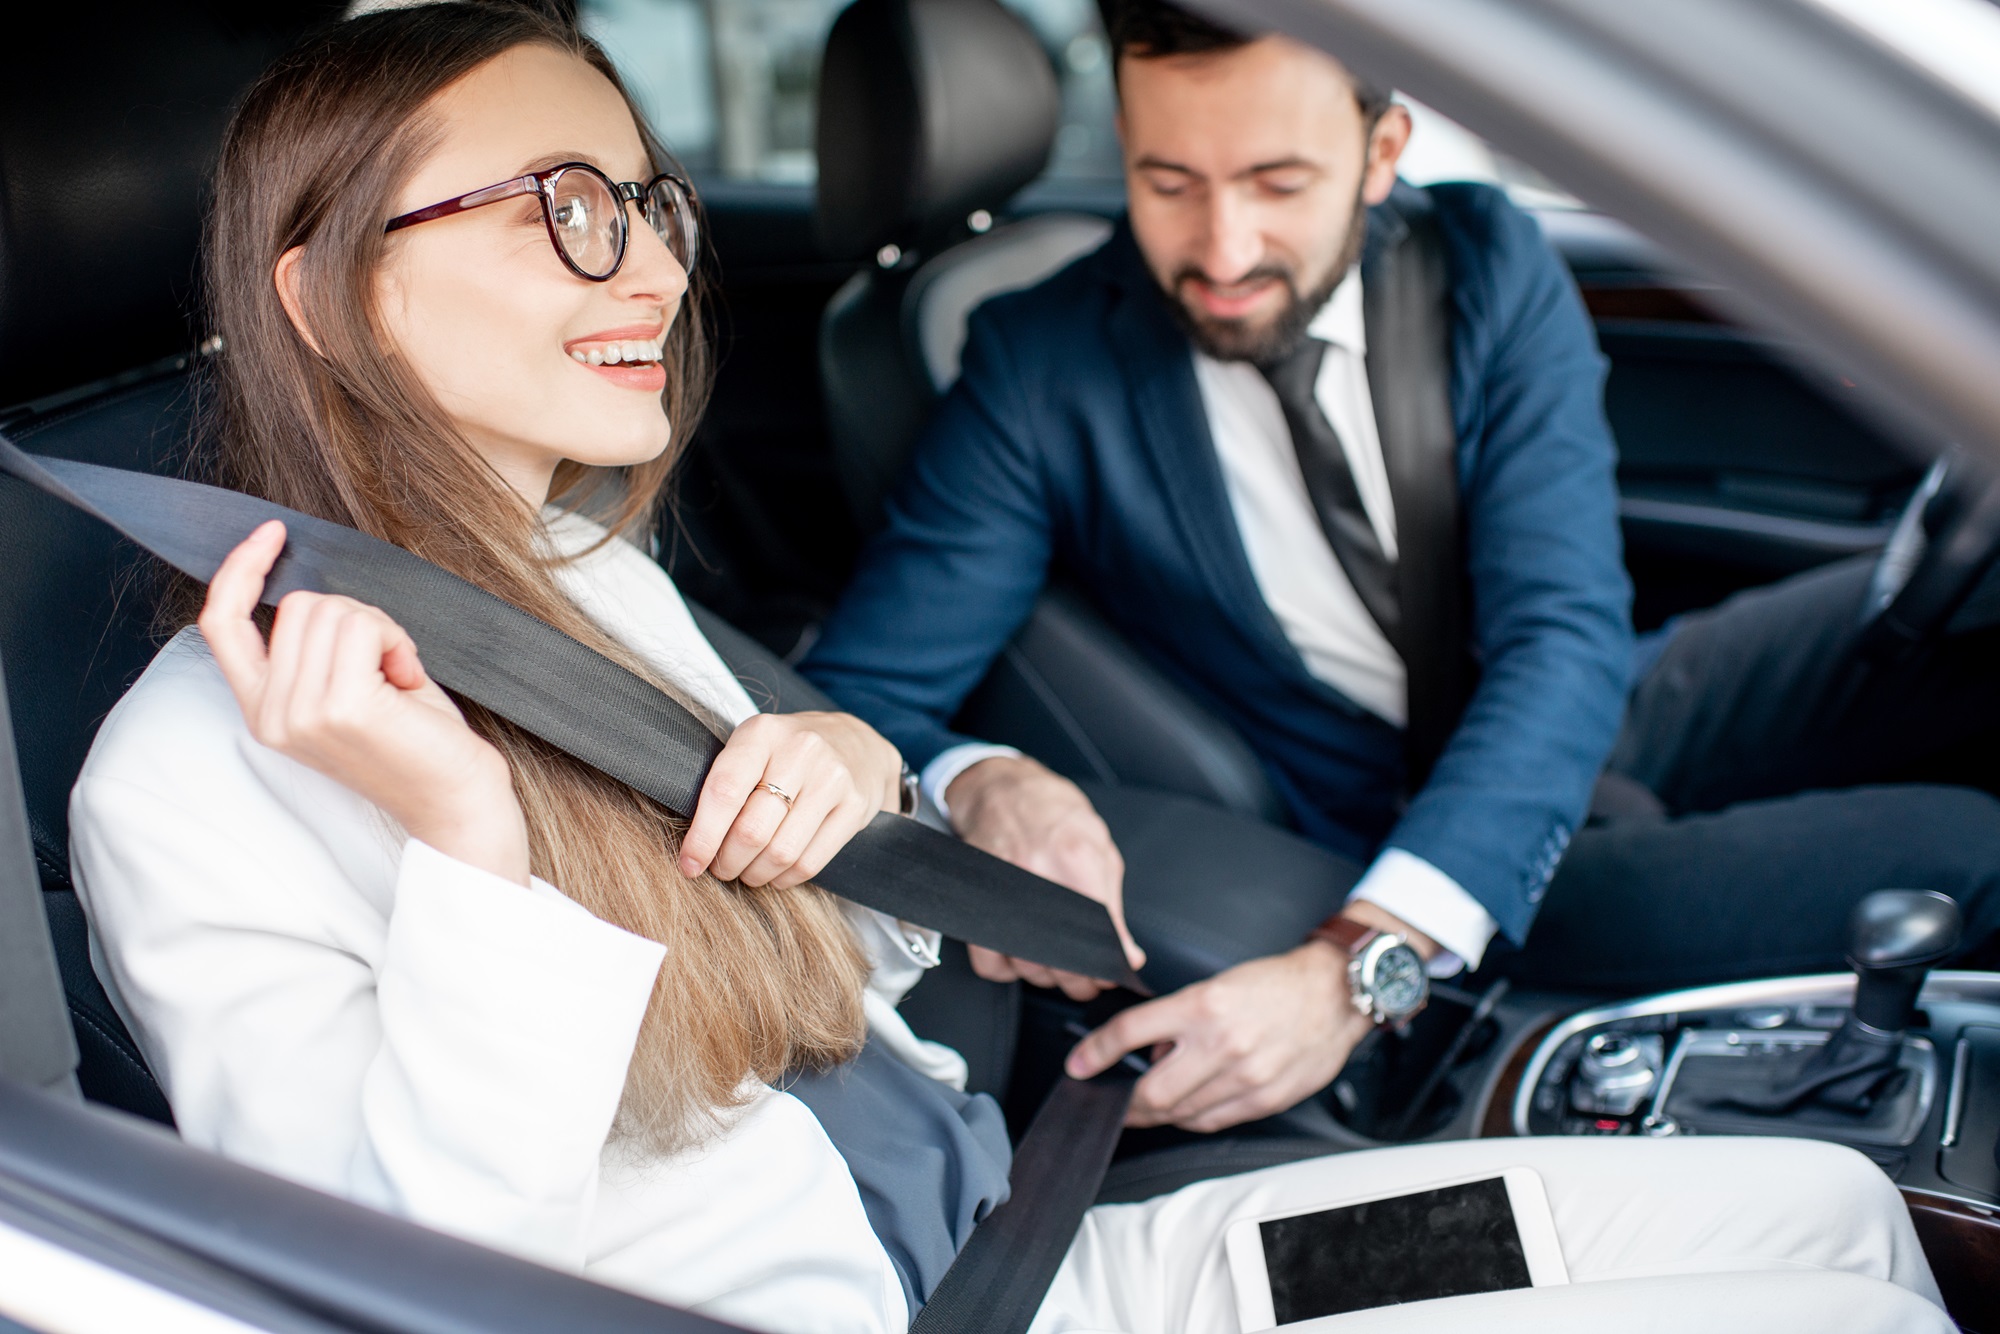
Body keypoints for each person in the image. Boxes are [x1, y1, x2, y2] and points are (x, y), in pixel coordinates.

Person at [64, 5, 1949, 1332]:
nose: (644, 265)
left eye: (648, 203)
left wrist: (927, 792)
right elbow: (402, 1278)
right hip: (935, 1292)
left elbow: (816, 950)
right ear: (316, 290)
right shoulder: (190, 776)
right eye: (564, 205)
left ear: (1388, 153)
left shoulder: (579, 572)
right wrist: (473, 850)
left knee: (1846, 1206)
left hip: (1021, 1231)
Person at [798, 0, 2000, 1135]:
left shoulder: (1483, 265)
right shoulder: (1038, 358)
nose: (1222, 247)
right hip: (1410, 834)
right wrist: (983, 776)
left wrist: (1355, 963)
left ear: (1382, 154)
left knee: (1956, 620)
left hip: (1597, 703)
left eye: (1278, 182)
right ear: (1122, 139)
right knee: (1970, 852)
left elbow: (1561, 637)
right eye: (1168, 181)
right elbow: (854, 690)